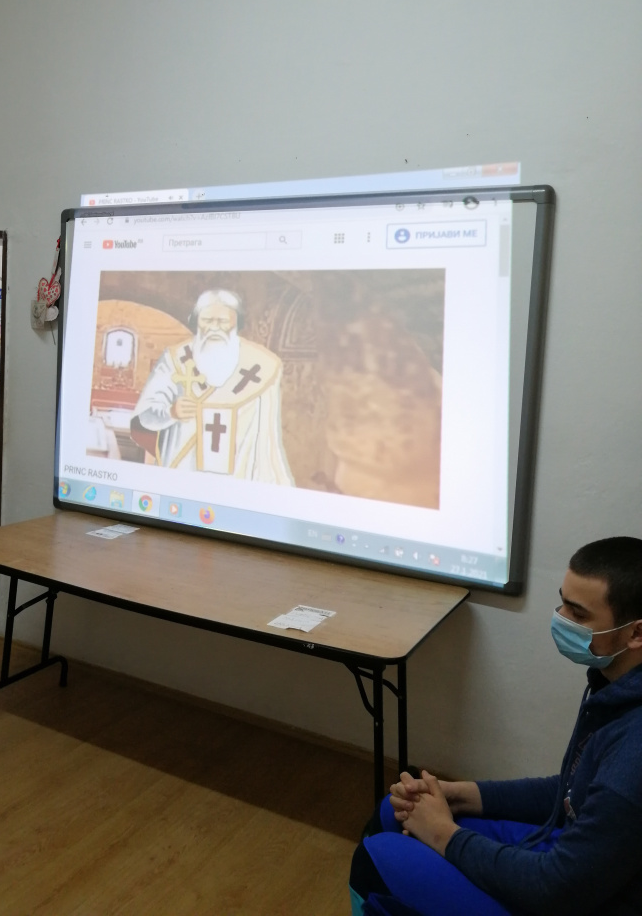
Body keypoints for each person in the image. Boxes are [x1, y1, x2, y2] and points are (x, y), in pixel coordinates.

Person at [349, 536, 642, 916]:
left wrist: (442, 833)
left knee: (375, 858)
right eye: (563, 604)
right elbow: (576, 791)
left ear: (636, 633)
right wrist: (461, 795)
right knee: (396, 811)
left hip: (570, 894)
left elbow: (554, 888)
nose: (561, 619)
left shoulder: (633, 756)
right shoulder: (616, 686)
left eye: (579, 614)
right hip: (575, 860)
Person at [132, 288, 294, 484]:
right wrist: (171, 412)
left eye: (223, 321)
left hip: (237, 479)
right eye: (207, 320)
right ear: (196, 321)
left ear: (237, 322)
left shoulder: (263, 365)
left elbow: (267, 437)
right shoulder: (174, 359)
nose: (214, 328)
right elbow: (146, 414)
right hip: (182, 475)